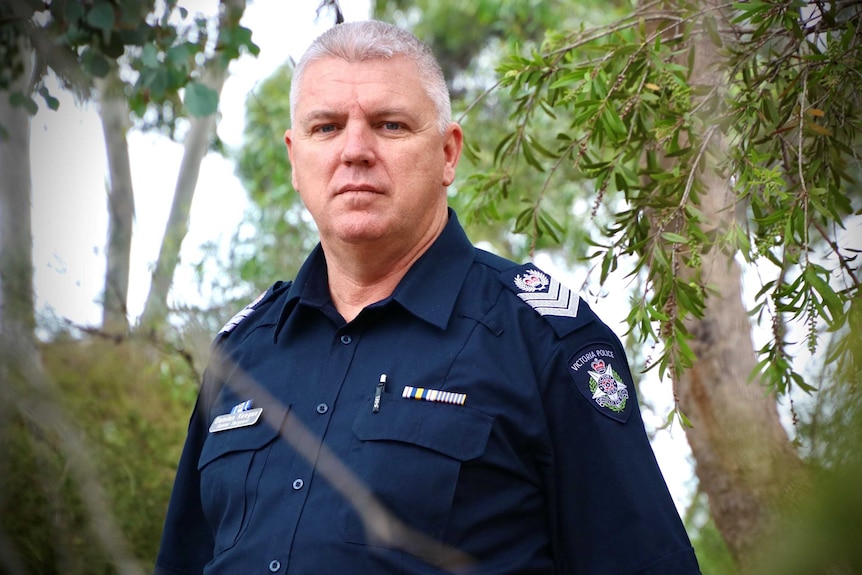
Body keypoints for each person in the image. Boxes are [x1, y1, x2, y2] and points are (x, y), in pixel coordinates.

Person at [155, 20, 700, 575]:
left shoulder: (543, 341)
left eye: (390, 125)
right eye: (326, 127)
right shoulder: (241, 356)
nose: (355, 150)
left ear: (447, 153)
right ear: (296, 159)